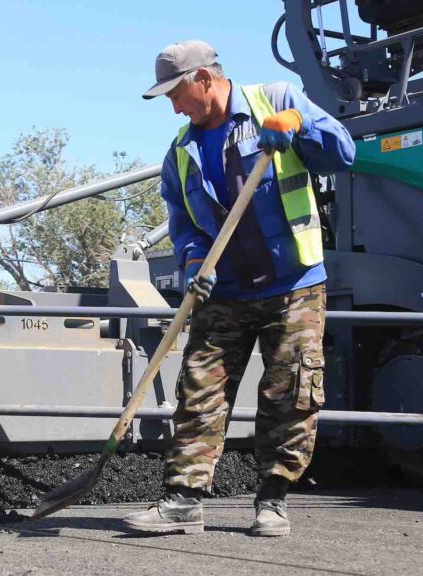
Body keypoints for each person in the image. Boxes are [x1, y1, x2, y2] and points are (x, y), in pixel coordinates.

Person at [125, 40, 355, 537]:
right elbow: (182, 220)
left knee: (289, 393)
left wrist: (298, 126)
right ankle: (183, 500)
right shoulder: (181, 151)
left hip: (293, 284)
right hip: (224, 290)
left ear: (204, 78)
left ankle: (272, 500)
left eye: (176, 93)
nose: (174, 105)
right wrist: (191, 260)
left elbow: (343, 152)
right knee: (199, 390)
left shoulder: (276, 99)